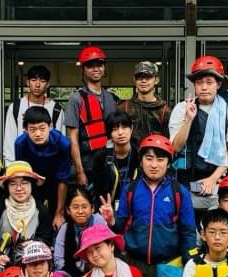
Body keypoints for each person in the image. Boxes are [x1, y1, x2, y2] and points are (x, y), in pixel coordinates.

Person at [101, 134, 197, 277]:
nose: (154, 165)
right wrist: (111, 220)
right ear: (141, 161)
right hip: (135, 263)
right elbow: (120, 227)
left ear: (168, 163)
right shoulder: (130, 189)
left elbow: (188, 231)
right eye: (149, 158)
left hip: (168, 264)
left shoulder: (179, 192)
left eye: (160, 159)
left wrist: (190, 264)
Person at [169, 55, 228, 214]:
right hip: (184, 179)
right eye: (199, 83)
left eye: (209, 82)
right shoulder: (182, 108)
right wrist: (188, 119)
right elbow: (175, 147)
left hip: (216, 178)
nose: (204, 87)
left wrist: (213, 179)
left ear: (218, 84)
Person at [0, 162, 54, 270]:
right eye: (13, 184)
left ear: (31, 185)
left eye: (24, 183)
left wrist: (34, 243)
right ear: (7, 187)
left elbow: (46, 239)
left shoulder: (41, 211)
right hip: (3, 266)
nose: (19, 188)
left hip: (33, 265)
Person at [66, 45, 118, 187]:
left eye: (99, 65)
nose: (95, 69)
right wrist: (79, 172)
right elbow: (72, 138)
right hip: (87, 161)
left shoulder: (112, 98)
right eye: (90, 66)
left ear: (104, 68)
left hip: (110, 158)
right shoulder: (76, 99)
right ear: (83, 69)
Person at [14, 105, 72, 225]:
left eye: (42, 128)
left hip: (56, 182)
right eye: (32, 129)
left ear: (50, 126)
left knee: (59, 219)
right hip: (33, 182)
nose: (38, 133)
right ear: (25, 130)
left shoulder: (63, 143)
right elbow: (22, 174)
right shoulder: (20, 144)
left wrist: (59, 213)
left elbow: (63, 178)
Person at [2, 64, 64, 165]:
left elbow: (61, 142)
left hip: (48, 165)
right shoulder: (15, 107)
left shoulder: (56, 110)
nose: (37, 85)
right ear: (28, 82)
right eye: (33, 80)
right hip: (22, 164)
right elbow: (9, 140)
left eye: (42, 81)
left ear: (48, 84)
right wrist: (10, 166)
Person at [53, 185, 108, 277]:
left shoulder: (98, 221)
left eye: (84, 207)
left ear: (92, 208)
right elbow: (59, 260)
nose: (80, 211)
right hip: (72, 275)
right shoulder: (65, 228)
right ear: (68, 210)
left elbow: (105, 252)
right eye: (75, 207)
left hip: (98, 271)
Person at [89, 111, 139, 209]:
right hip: (107, 207)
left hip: (134, 207)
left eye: (124, 127)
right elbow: (98, 188)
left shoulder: (138, 154)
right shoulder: (101, 157)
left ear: (131, 129)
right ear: (109, 133)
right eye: (115, 129)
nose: (120, 133)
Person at [118, 60, 170, 144]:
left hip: (154, 151)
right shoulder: (124, 108)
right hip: (131, 152)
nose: (143, 81)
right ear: (134, 80)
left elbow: (168, 141)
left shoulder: (164, 111)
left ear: (156, 80)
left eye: (148, 77)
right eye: (139, 77)